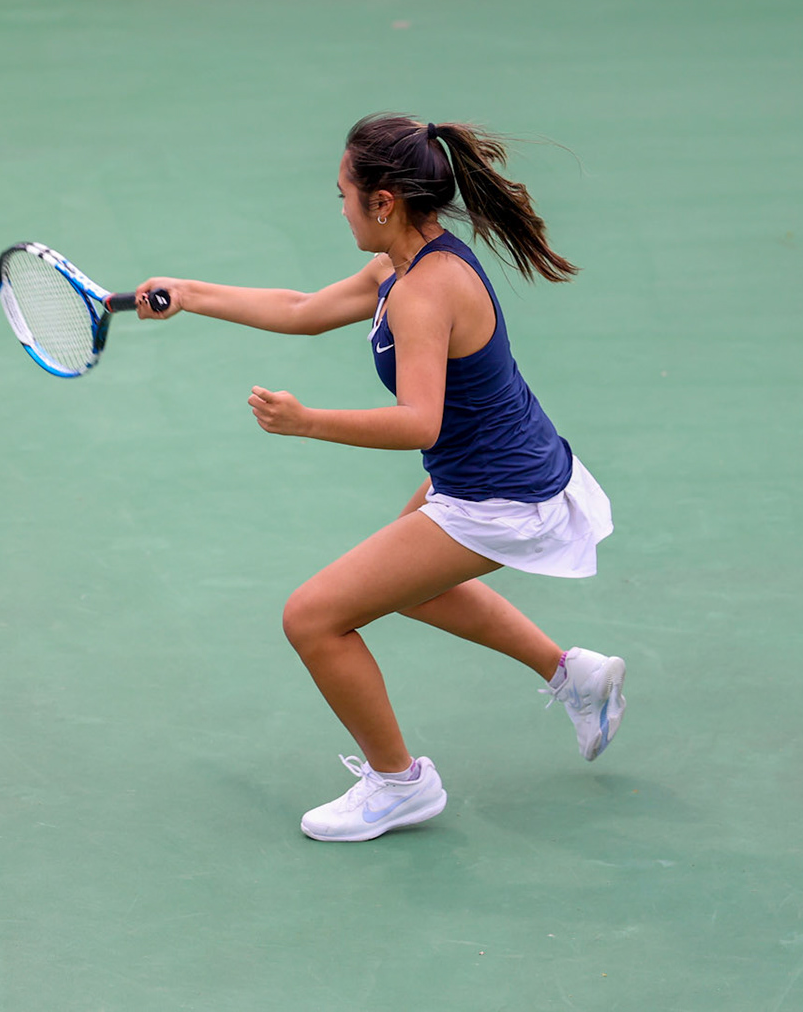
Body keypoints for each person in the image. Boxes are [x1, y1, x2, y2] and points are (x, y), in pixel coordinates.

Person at [134, 112, 625, 842]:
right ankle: (573, 675)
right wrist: (191, 292)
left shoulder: (427, 292)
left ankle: (400, 785)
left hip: (501, 492)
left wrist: (309, 421)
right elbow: (304, 311)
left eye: (342, 194)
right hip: (496, 466)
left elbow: (419, 422)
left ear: (383, 200)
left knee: (314, 617)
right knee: (413, 592)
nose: (339, 207)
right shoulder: (406, 261)